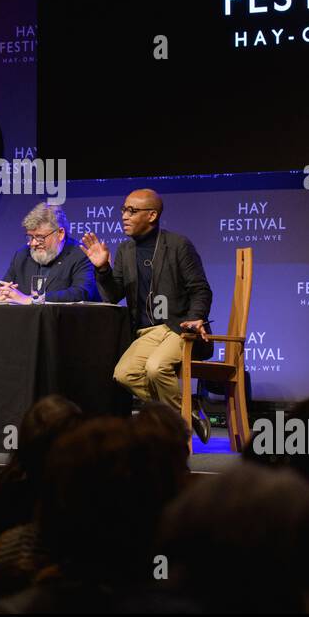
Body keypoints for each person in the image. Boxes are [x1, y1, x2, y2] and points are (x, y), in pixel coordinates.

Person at [79, 188, 214, 443]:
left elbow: (200, 289)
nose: (124, 216)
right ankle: (188, 410)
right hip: (146, 333)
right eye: (123, 210)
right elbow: (112, 294)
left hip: (179, 327)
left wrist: (196, 318)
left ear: (152, 215)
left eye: (132, 211)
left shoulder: (177, 245)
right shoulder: (124, 250)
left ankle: (177, 434)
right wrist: (103, 268)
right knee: (125, 373)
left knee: (155, 368)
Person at [0, 202, 98, 303]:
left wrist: (32, 300)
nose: (33, 243)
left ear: (60, 233)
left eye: (40, 237)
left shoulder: (80, 254)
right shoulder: (22, 255)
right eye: (30, 237)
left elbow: (82, 293)